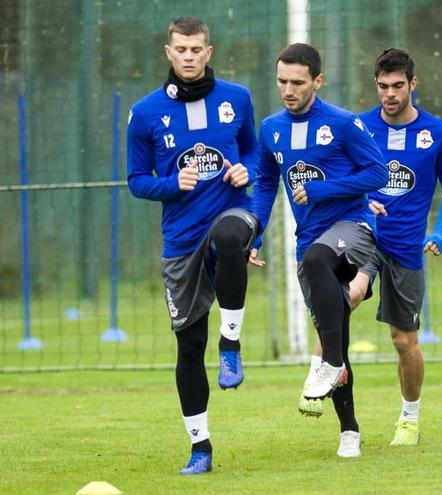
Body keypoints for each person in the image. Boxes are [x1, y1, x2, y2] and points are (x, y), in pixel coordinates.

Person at [296, 48, 442, 448]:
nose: (389, 94)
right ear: (376, 84)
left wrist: (440, 232)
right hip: (364, 233)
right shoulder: (358, 127)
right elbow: (347, 177)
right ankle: (322, 370)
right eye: (383, 86)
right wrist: (361, 200)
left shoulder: (437, 133)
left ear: (412, 84)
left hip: (407, 246)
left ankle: (409, 417)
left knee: (403, 341)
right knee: (342, 297)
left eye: (397, 86)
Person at [126, 17, 260, 475]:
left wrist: (246, 171)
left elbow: (254, 152)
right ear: (168, 52)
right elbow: (136, 181)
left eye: (196, 49)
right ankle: (200, 447)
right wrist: (171, 184)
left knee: (229, 236)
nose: (188, 56)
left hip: (231, 213)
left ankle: (232, 343)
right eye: (180, 49)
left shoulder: (237, 99)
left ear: (209, 52)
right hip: (181, 236)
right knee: (188, 346)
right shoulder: (144, 113)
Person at [251, 43, 388, 458]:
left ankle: (327, 364)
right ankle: (350, 431)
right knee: (337, 337)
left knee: (316, 263)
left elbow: (377, 172)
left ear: (317, 81)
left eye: (297, 82)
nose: (288, 89)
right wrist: (254, 234)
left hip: (353, 229)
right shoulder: (271, 128)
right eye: (281, 81)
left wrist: (322, 189)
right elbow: (264, 183)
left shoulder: (342, 124)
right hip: (309, 240)